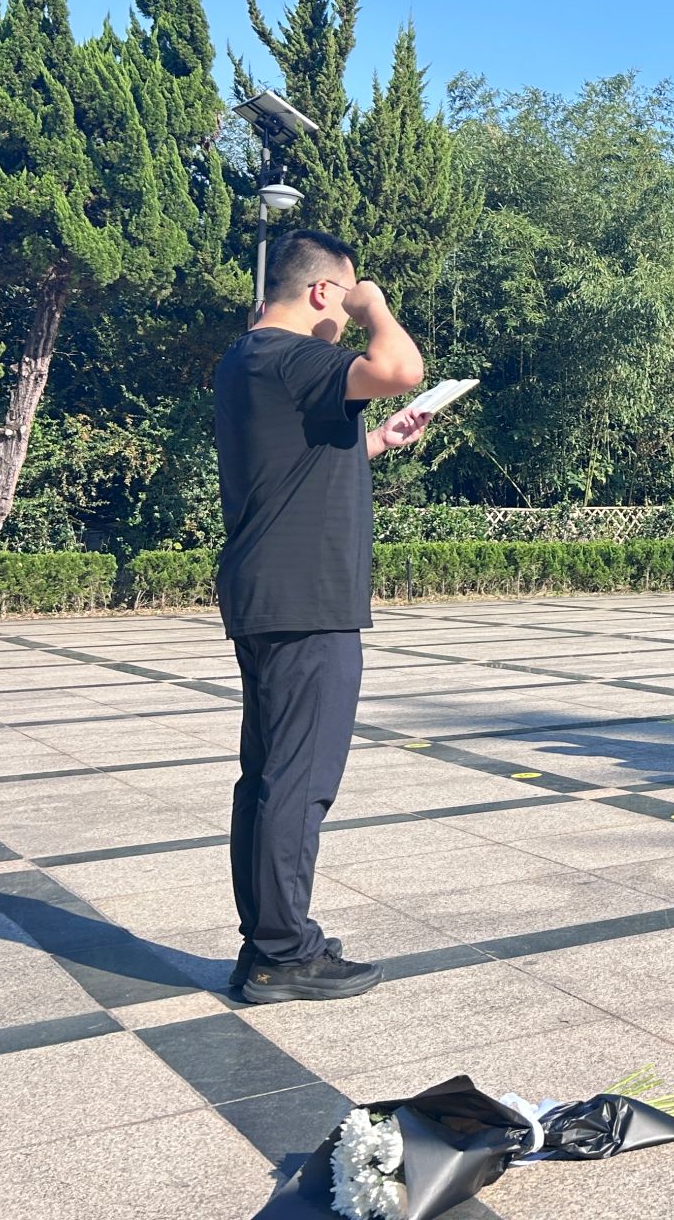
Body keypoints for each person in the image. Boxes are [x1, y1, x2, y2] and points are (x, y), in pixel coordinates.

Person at [216, 230, 430, 1003]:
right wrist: (374, 305)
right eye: (343, 296)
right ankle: (282, 953)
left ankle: (267, 940)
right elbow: (403, 369)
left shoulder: (247, 358)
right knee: (298, 780)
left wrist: (376, 440)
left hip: (269, 591)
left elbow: (293, 466)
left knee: (269, 777)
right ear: (320, 293)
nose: (346, 316)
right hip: (306, 599)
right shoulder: (293, 353)